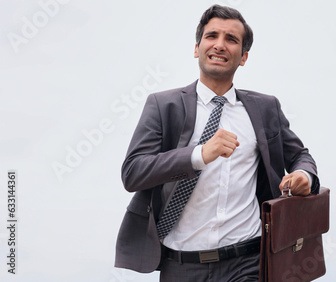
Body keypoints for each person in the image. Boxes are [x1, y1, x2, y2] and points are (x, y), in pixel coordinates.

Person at [115, 4, 320, 281]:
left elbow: (299, 155)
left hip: (248, 261)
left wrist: (304, 174)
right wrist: (198, 154)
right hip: (182, 266)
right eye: (212, 36)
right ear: (197, 48)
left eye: (231, 39)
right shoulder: (163, 106)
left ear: (244, 56)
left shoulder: (265, 108)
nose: (220, 45)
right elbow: (133, 173)